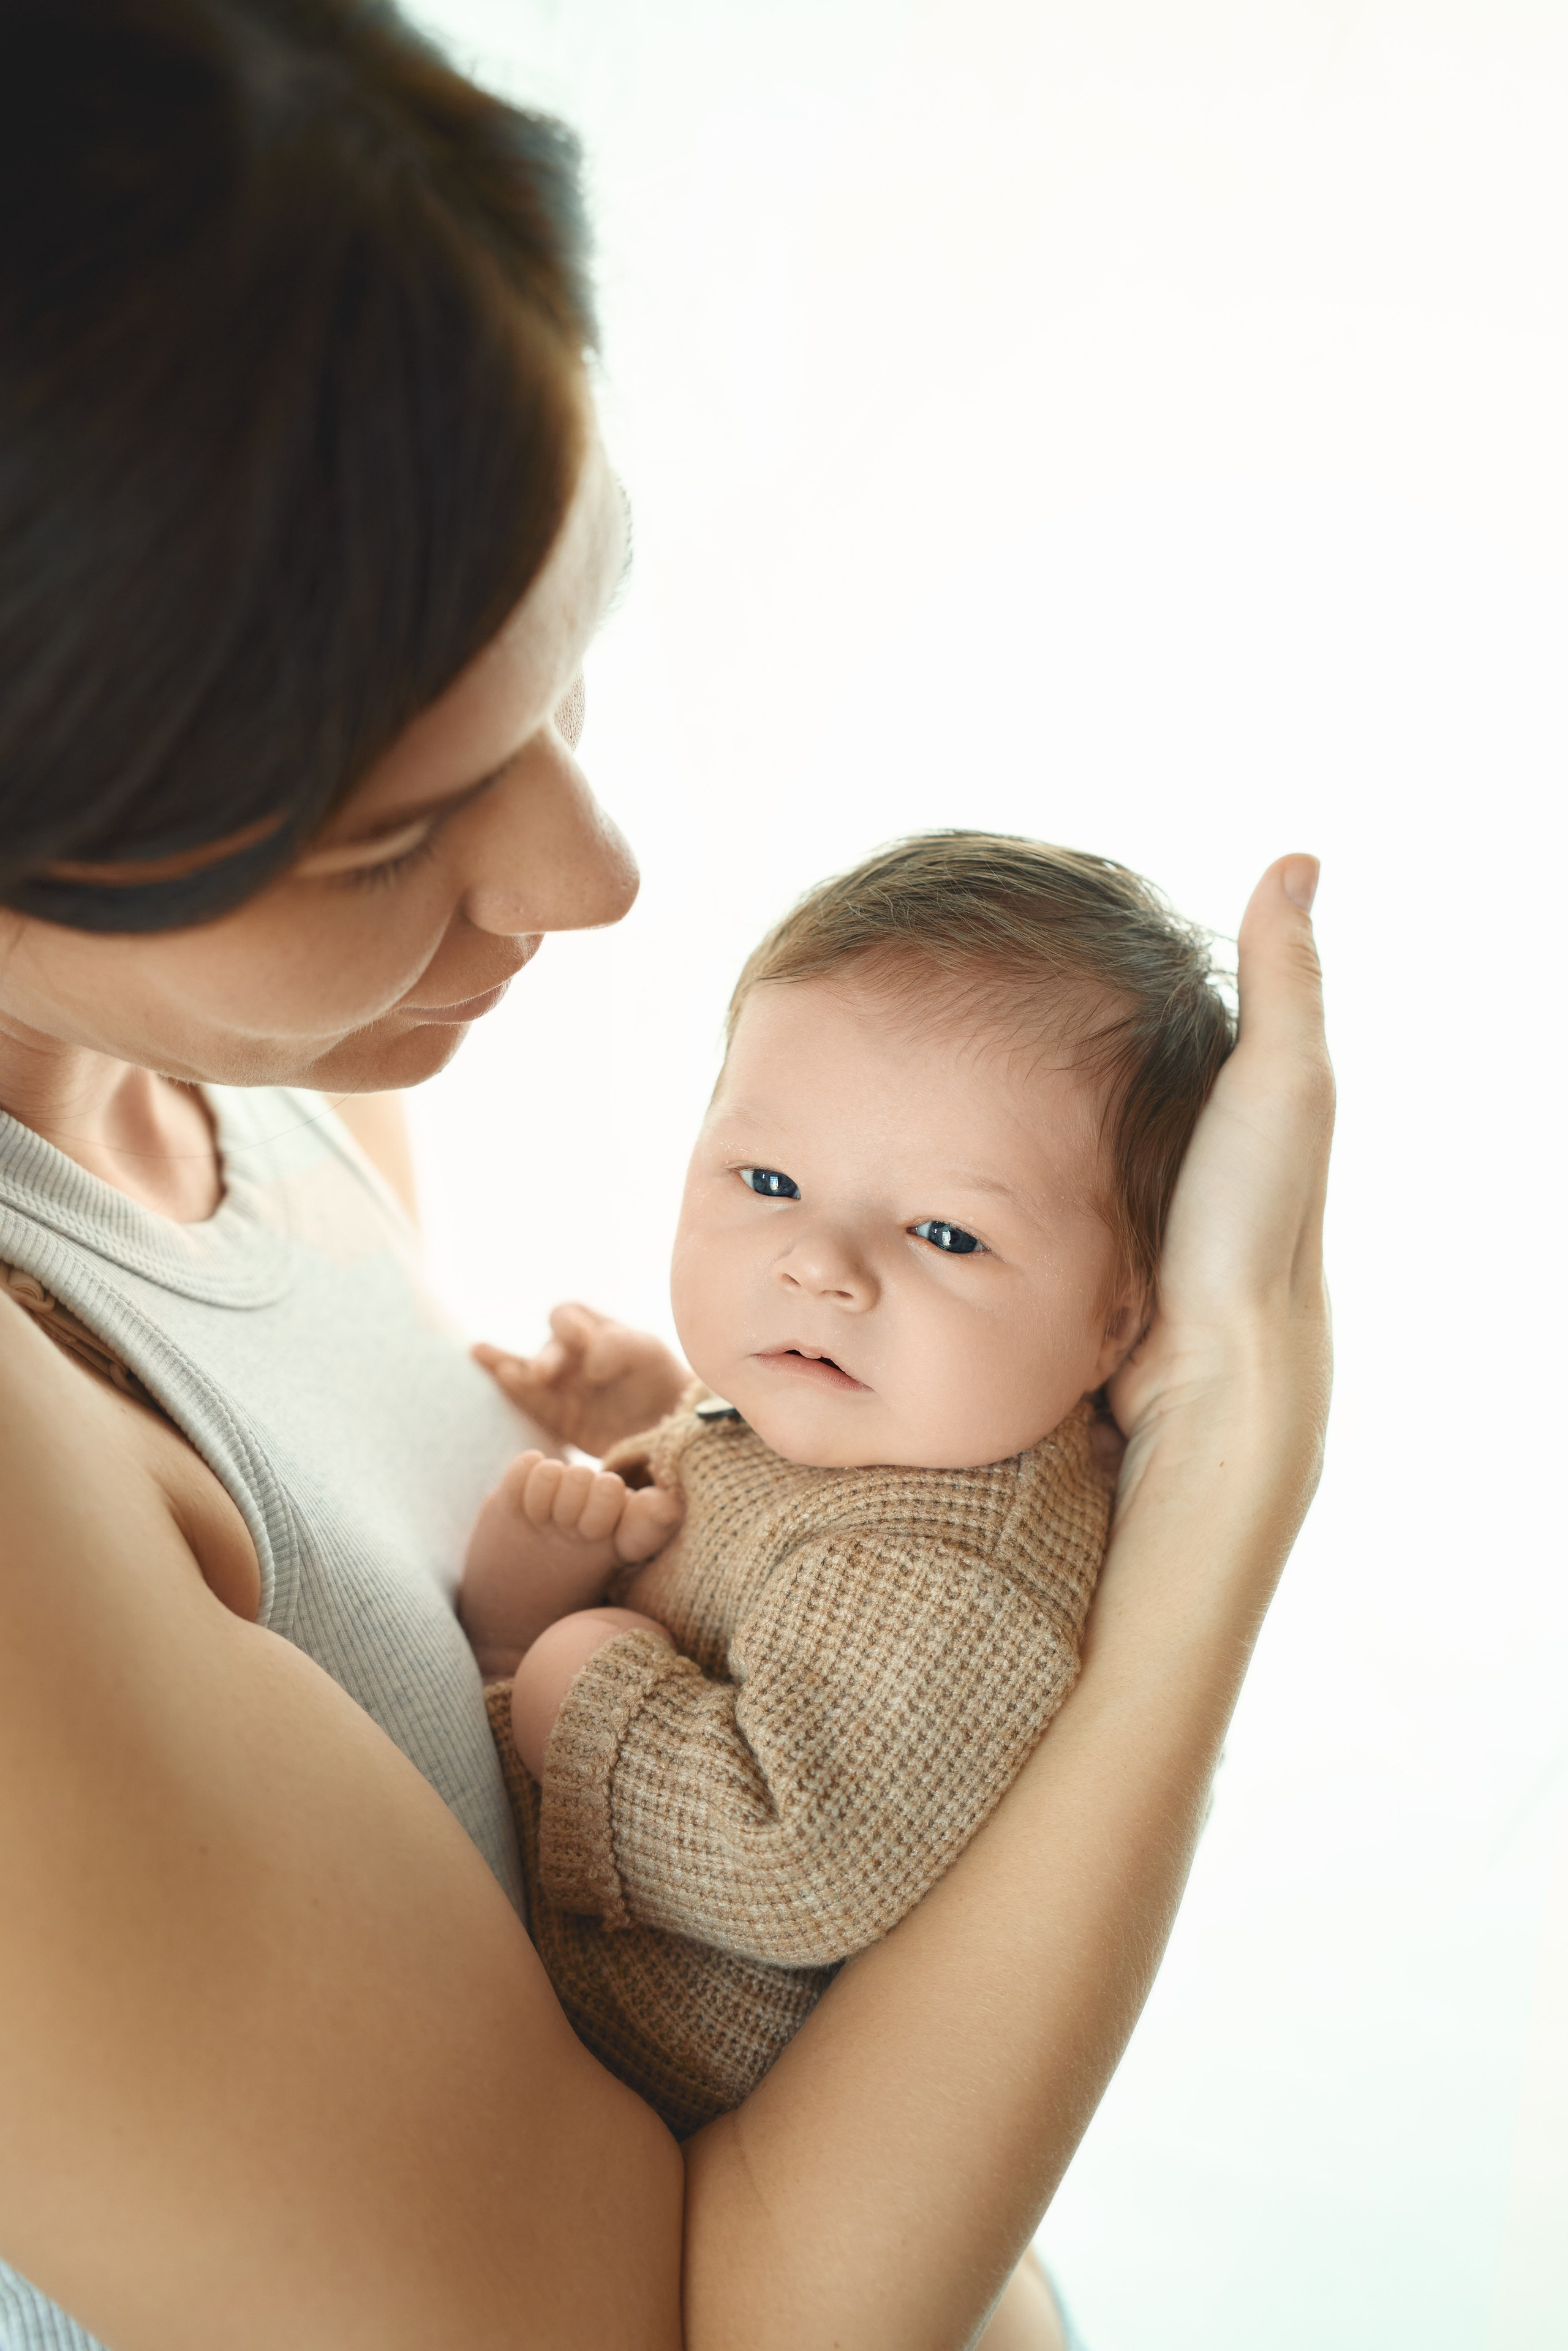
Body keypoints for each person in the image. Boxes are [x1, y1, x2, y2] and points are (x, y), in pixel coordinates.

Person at [0, 4, 1333, 2346]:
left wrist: (594, 1459)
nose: (598, 877)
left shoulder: (247, 1064)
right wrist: (1217, 1472)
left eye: (564, 659)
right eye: (396, 825)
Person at [460, 835, 1234, 2142]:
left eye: (944, 1233)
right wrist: (659, 1410)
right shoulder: (899, 1416)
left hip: (624, 2087)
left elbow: (793, 1861)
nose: (818, 1263)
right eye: (766, 1182)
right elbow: (776, 1511)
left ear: (1120, 1317)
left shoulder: (952, 1569)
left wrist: (573, 1669)